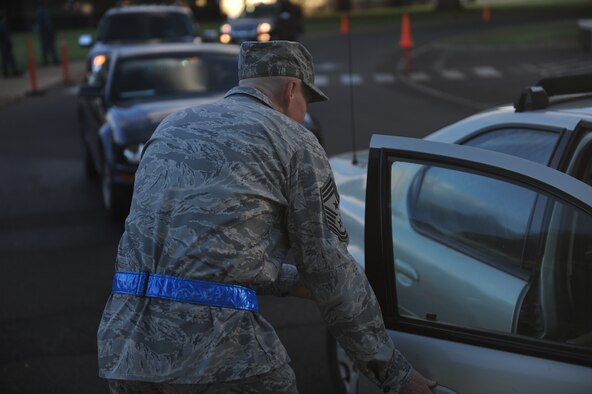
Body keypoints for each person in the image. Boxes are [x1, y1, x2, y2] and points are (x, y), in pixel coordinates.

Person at [97, 40, 436, 393]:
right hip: (218, 359)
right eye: (307, 100)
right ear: (291, 89)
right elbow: (327, 266)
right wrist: (395, 375)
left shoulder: (172, 127)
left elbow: (199, 251)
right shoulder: (293, 141)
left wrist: (291, 281)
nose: (304, 114)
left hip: (126, 352)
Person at [35, 1, 58, 66]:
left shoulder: (39, 11)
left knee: (45, 47)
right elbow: (47, 23)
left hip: (44, 32)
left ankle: (46, 62)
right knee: (50, 46)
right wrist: (51, 32)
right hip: (46, 32)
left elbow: (41, 23)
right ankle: (54, 60)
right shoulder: (43, 11)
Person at [0, 10, 19, 77]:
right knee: (11, 58)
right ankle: (15, 71)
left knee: (5, 59)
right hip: (6, 45)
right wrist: (10, 44)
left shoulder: (1, 26)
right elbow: (6, 37)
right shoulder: (3, 26)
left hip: (2, 45)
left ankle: (5, 72)